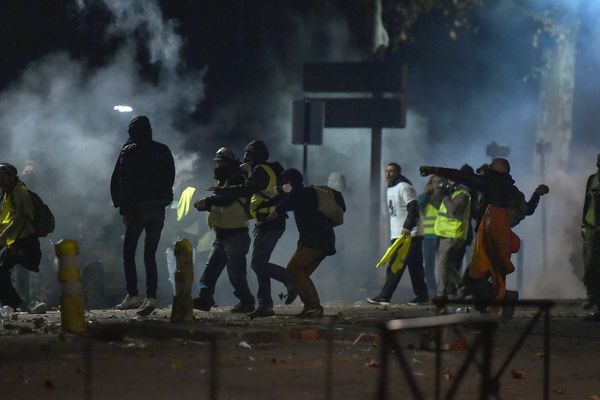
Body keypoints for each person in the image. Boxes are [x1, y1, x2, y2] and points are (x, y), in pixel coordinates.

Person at [420, 158, 548, 314]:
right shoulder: (512, 190)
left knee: (478, 276)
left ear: (497, 170)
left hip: (490, 239)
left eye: (491, 167)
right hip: (503, 239)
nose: (487, 170)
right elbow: (527, 210)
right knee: (491, 276)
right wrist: (536, 195)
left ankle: (494, 306)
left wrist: (434, 170)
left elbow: (463, 177)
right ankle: (501, 301)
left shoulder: (491, 184)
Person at [213, 140, 295, 318]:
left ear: (253, 154)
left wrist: (223, 191)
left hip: (269, 221)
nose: (244, 158)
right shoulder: (273, 167)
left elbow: (247, 189)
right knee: (260, 263)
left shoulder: (260, 170)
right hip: (271, 220)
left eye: (247, 154)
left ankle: (289, 279)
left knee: (258, 263)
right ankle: (265, 305)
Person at [111, 115, 175, 317]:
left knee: (129, 252)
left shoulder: (129, 151)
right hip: (158, 209)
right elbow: (170, 176)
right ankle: (151, 296)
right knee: (150, 254)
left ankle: (133, 295)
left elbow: (122, 181)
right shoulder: (163, 149)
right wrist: (164, 199)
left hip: (137, 209)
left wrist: (123, 208)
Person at [192, 148, 255, 313]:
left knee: (236, 273)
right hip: (222, 234)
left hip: (236, 234)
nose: (217, 166)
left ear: (227, 163)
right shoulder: (224, 181)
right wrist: (206, 206)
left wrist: (209, 201)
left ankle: (247, 301)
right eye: (216, 163)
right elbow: (221, 206)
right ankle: (205, 299)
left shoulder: (237, 178)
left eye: (220, 162)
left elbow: (228, 199)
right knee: (211, 269)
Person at [279, 168, 345, 318]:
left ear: (289, 182)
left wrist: (279, 194)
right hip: (323, 239)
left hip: (314, 241)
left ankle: (314, 306)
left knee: (294, 268)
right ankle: (310, 307)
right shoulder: (310, 192)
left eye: (283, 182)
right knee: (301, 274)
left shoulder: (299, 194)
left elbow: (282, 207)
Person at [366, 162, 428, 306]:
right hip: (401, 235)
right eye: (386, 171)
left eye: (391, 171)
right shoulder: (391, 188)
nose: (388, 174)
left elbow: (414, 208)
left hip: (408, 235)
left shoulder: (404, 187)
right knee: (415, 268)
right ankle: (422, 296)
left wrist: (407, 226)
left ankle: (384, 296)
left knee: (395, 266)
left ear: (398, 173)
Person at [0, 163, 42, 313]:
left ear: (12, 176)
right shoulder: (7, 193)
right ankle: (16, 303)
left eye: (5, 176)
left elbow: (19, 217)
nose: (2, 179)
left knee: (24, 272)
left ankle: (25, 303)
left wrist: (3, 236)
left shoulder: (18, 190)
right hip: (15, 241)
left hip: (24, 240)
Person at [433, 179, 470, 300]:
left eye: (450, 181)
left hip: (452, 234)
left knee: (442, 264)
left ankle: (441, 294)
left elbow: (453, 209)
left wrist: (445, 196)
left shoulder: (463, 195)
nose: (448, 184)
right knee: (446, 264)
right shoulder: (454, 194)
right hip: (446, 234)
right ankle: (462, 286)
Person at [418, 175, 446, 299]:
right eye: (435, 182)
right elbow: (418, 205)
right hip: (428, 236)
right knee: (429, 266)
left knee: (443, 265)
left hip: (441, 235)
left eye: (440, 182)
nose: (437, 184)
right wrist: (426, 194)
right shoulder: (425, 198)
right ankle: (432, 292)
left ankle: (442, 291)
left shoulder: (445, 197)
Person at [582, 153, 600, 321]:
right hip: (591, 228)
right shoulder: (592, 179)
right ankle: (592, 297)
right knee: (589, 265)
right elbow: (587, 204)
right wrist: (583, 226)